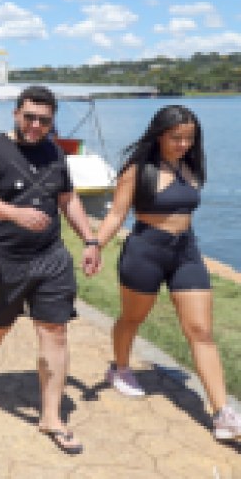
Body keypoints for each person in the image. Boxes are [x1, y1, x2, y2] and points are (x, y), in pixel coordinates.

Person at [0, 85, 100, 455]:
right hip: (2, 258)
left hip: (50, 255)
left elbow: (67, 198)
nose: (36, 125)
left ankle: (51, 417)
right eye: (30, 117)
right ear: (16, 114)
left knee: (55, 330)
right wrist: (14, 213)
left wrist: (90, 240)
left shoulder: (55, 152)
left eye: (44, 120)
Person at [92, 105, 240, 441]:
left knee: (201, 331)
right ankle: (120, 367)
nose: (184, 144)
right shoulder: (137, 170)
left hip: (186, 252)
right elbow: (116, 215)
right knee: (132, 319)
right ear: (159, 135)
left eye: (189, 138)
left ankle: (223, 414)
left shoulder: (190, 165)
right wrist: (94, 245)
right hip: (146, 251)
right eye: (176, 138)